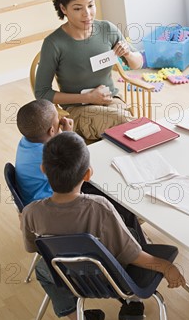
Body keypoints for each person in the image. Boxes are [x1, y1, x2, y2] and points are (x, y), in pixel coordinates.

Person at [21, 132, 186, 320]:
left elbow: (33, 248)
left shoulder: (31, 212)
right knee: (131, 232)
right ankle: (133, 300)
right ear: (88, 174)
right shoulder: (100, 207)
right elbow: (132, 255)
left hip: (68, 277)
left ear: (43, 170)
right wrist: (166, 266)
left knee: (42, 270)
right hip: (111, 279)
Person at [15, 99, 147, 244]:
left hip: (37, 206)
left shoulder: (27, 142)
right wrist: (69, 136)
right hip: (58, 207)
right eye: (57, 118)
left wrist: (60, 136)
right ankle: (136, 244)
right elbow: (80, 163)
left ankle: (128, 235)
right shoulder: (46, 154)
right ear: (52, 130)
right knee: (118, 203)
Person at [34, 0, 144, 141]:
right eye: (78, 8)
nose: (87, 14)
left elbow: (138, 64)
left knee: (126, 129)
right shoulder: (54, 44)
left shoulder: (107, 29)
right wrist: (87, 98)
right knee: (127, 126)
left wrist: (127, 53)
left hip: (111, 101)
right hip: (77, 109)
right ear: (63, 9)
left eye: (91, 5)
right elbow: (42, 93)